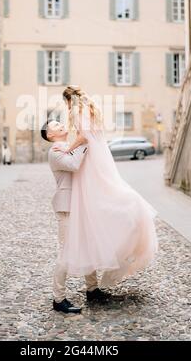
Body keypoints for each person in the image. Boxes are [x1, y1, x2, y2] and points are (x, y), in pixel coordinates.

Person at [52, 85, 159, 288]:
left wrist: (69, 149)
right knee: (107, 191)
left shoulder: (76, 111)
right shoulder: (91, 109)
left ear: (68, 101)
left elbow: (83, 137)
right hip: (101, 157)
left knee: (93, 200)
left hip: (90, 158)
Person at [41, 119, 111, 314]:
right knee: (66, 252)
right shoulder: (55, 151)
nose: (60, 124)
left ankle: (92, 289)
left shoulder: (71, 145)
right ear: (50, 135)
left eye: (59, 122)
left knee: (88, 246)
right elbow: (73, 164)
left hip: (80, 205)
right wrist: (84, 142)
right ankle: (58, 298)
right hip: (66, 207)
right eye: (54, 125)